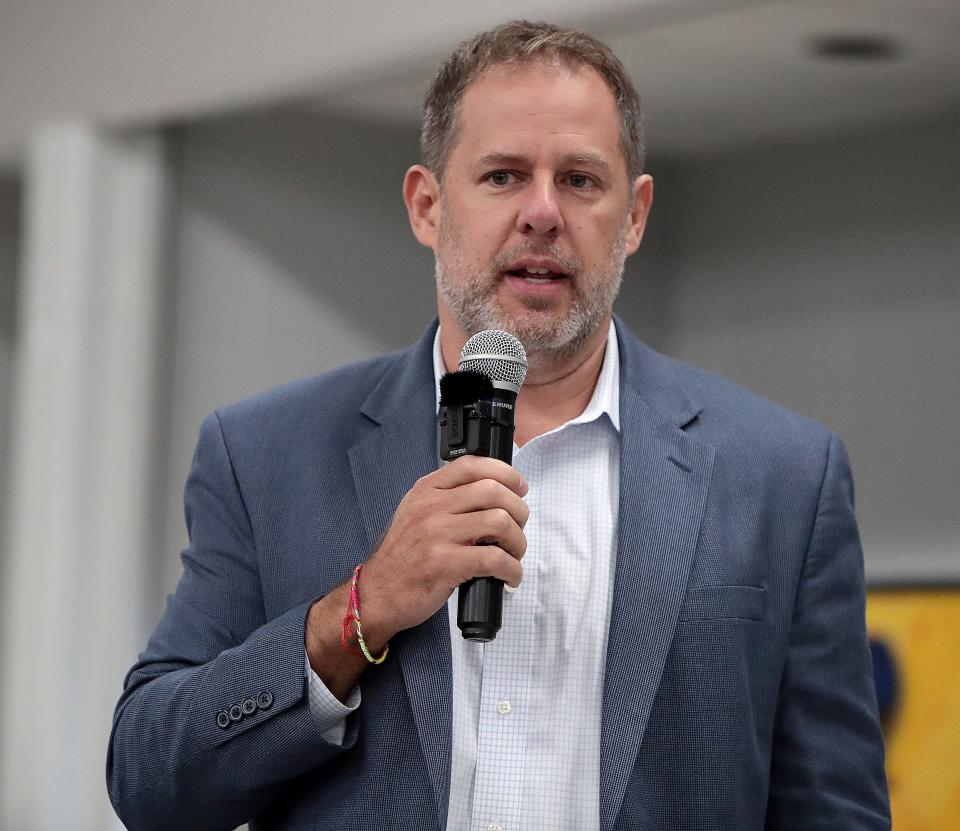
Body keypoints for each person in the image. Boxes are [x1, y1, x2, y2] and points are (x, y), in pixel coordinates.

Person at [107, 20, 891, 831]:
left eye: (582, 180)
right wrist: (359, 611)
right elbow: (149, 779)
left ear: (634, 215)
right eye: (504, 175)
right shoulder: (265, 454)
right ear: (427, 205)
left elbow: (836, 808)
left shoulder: (784, 475)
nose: (543, 213)